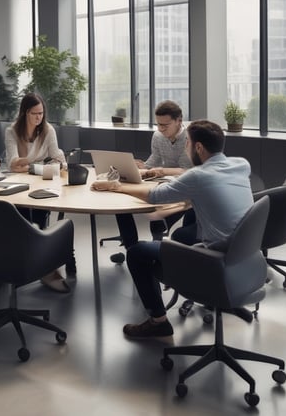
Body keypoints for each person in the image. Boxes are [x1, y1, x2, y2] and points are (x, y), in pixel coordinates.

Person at [91, 120, 253, 338]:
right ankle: (219, 298)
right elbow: (208, 193)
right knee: (182, 230)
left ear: (198, 148)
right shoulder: (242, 164)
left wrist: (116, 186)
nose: (186, 147)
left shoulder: (198, 176)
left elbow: (155, 196)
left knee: (137, 253)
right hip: (244, 257)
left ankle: (158, 321)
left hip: (214, 259)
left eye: (188, 143)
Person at [4, 92, 72, 293]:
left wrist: (38, 163)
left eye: (41, 113)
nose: (39, 117)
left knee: (42, 219)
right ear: (25, 113)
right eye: (34, 113)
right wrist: (39, 161)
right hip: (18, 183)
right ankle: (23, 264)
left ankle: (45, 267)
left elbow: (57, 158)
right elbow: (12, 163)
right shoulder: (12, 132)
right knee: (22, 221)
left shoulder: (48, 129)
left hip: (41, 180)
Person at [113, 100, 193, 263]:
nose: (161, 129)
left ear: (179, 121)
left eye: (165, 125)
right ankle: (132, 248)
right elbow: (154, 160)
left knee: (155, 212)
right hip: (162, 181)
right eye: (158, 124)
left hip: (182, 186)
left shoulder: (189, 138)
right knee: (122, 204)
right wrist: (141, 166)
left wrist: (161, 170)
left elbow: (187, 170)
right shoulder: (157, 136)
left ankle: (156, 247)